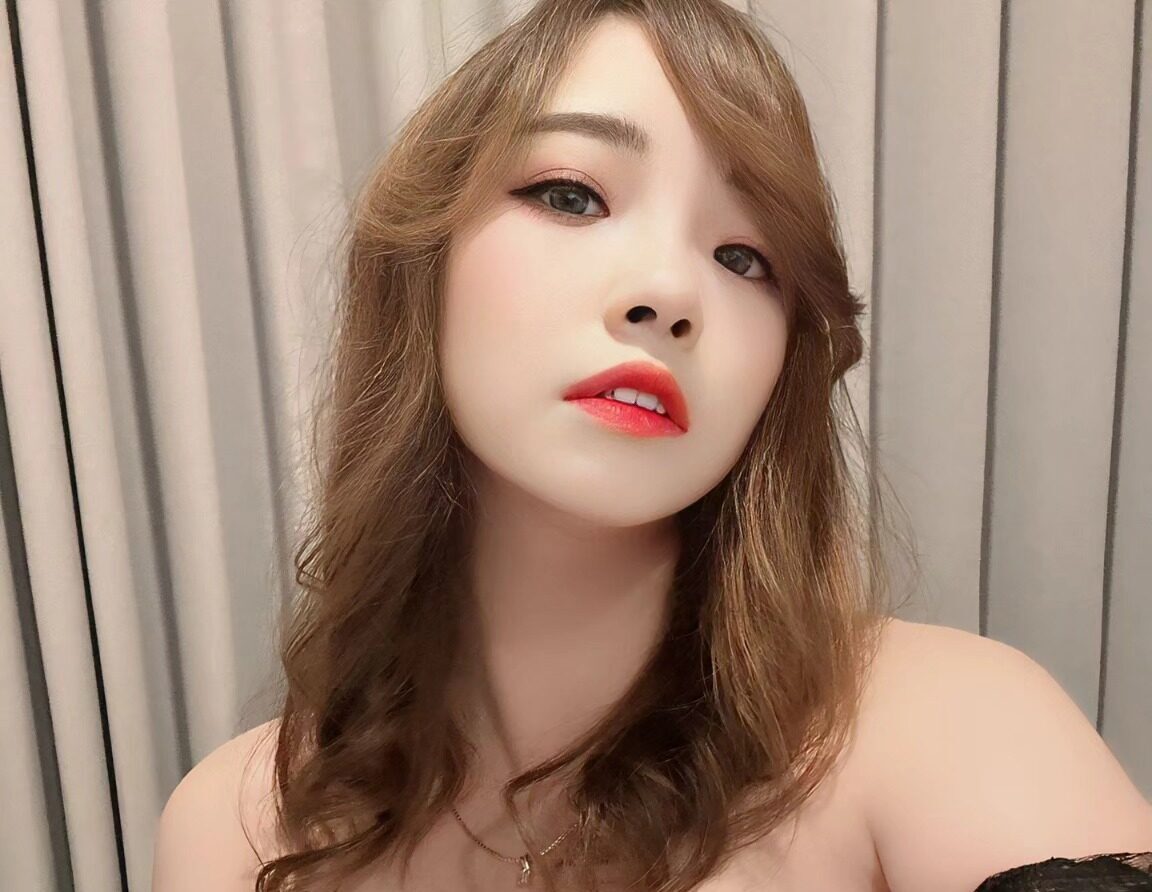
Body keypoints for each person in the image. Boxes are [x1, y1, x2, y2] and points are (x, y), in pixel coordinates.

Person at [151, 1, 1152, 890]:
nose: (671, 293)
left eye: (744, 256)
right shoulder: (234, 829)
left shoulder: (945, 727)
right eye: (571, 195)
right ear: (422, 264)